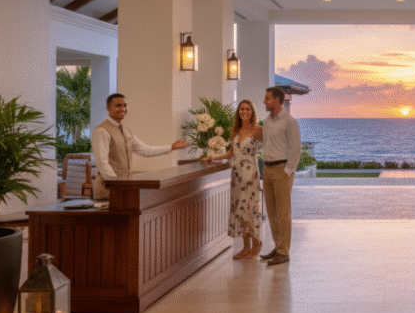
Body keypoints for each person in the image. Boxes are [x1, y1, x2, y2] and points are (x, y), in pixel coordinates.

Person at [91, 93, 189, 200]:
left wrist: (172, 147)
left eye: (125, 105)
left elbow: (145, 150)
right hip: (108, 188)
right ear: (108, 109)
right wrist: (117, 185)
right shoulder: (101, 130)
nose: (123, 109)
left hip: (124, 187)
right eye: (118, 106)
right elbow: (102, 163)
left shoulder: (126, 130)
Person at [202, 99, 263, 260]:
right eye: (242, 109)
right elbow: (231, 153)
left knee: (248, 210)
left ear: (252, 112)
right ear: (238, 112)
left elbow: (271, 145)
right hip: (237, 174)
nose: (244, 112)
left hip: (250, 174)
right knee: (239, 210)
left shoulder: (258, 130)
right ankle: (246, 247)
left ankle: (257, 243)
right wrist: (212, 158)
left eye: (247, 109)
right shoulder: (236, 130)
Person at [258, 86, 301, 266]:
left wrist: (288, 171)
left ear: (277, 100)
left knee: (283, 213)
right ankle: (278, 247)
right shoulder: (267, 121)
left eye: (267, 98)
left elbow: (296, 149)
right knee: (272, 212)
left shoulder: (289, 121)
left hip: (282, 169)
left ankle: (284, 252)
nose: (264, 102)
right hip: (267, 169)